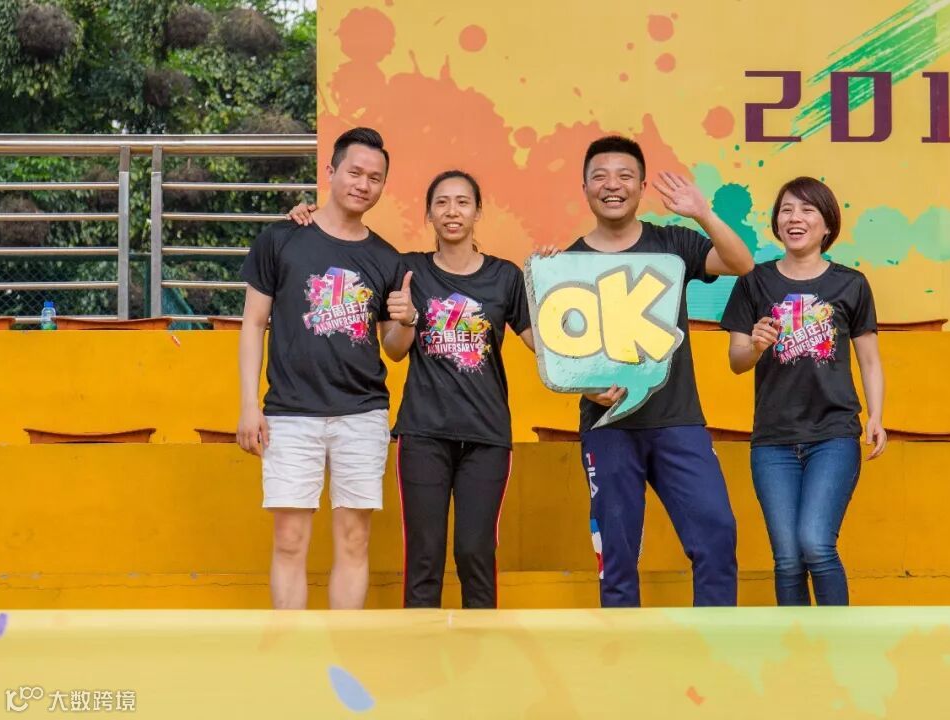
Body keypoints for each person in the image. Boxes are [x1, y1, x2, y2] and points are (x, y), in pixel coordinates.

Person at [288, 170, 535, 609]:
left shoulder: (505, 277)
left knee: (475, 552)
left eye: (462, 202)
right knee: (424, 555)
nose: (452, 211)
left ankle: (483, 645)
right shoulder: (408, 270)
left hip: (487, 435)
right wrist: (307, 220)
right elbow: (394, 350)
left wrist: (556, 275)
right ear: (428, 214)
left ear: (478, 212)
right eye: (442, 203)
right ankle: (420, 646)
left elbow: (543, 343)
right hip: (423, 434)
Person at [560, 135, 755, 607]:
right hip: (608, 427)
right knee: (617, 556)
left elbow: (742, 264)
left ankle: (714, 637)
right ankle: (623, 645)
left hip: (678, 421)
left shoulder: (671, 243)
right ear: (584, 188)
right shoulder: (567, 263)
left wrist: (702, 214)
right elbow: (562, 356)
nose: (612, 185)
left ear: (642, 187)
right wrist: (587, 388)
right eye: (600, 176)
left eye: (625, 176)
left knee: (716, 533)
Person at [236, 127, 417, 609]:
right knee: (289, 540)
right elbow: (253, 324)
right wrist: (249, 406)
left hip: (362, 414)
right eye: (355, 172)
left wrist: (408, 320)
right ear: (331, 171)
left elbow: (394, 349)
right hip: (290, 414)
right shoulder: (281, 239)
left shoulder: (386, 258)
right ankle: (293, 647)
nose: (364, 184)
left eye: (375, 178)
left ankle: (345, 645)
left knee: (354, 541)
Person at [721, 176, 887, 606]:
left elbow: (869, 359)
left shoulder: (851, 284)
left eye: (807, 210)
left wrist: (876, 415)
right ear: (777, 222)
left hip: (833, 435)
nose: (795, 218)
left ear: (827, 225)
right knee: (788, 559)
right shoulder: (753, 282)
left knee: (815, 543)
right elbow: (737, 361)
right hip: (772, 440)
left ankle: (837, 638)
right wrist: (756, 346)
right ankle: (796, 644)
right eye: (787, 210)